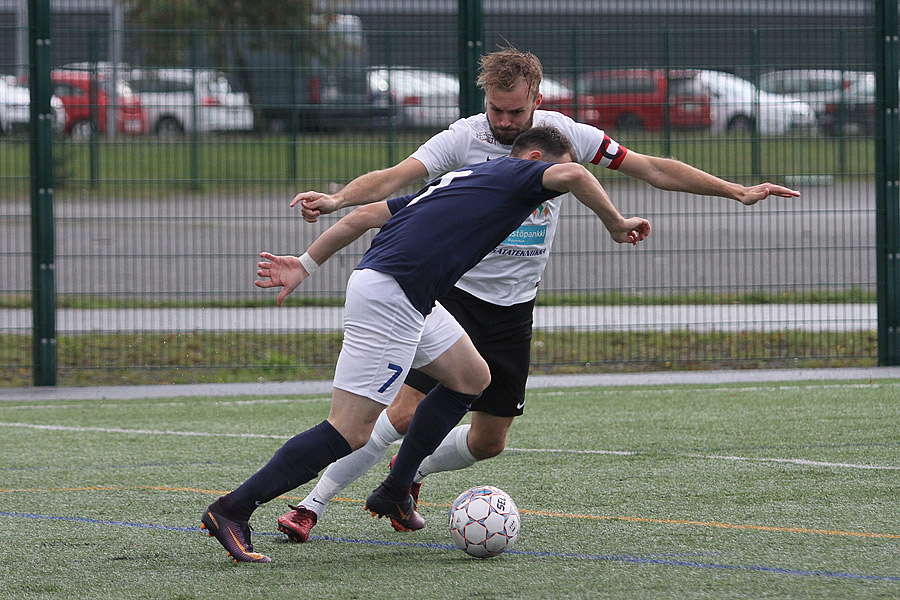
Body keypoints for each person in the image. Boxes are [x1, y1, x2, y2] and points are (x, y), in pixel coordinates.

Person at [275, 46, 800, 542]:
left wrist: (736, 190)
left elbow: (652, 168)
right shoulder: (463, 137)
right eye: (496, 111)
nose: (503, 122)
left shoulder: (568, 136)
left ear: (538, 101)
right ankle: (311, 506)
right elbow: (397, 177)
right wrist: (338, 198)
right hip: (452, 298)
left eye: (515, 112)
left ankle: (408, 469)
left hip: (512, 311)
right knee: (404, 410)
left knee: (488, 442)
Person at [200, 126, 650, 563]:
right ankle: (234, 508)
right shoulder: (522, 174)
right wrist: (616, 223)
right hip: (393, 296)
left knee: (471, 376)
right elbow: (573, 175)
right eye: (553, 178)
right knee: (349, 430)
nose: (557, 191)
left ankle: (396, 489)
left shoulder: (464, 179)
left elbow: (363, 215)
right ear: (534, 161)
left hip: (406, 292)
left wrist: (305, 263)